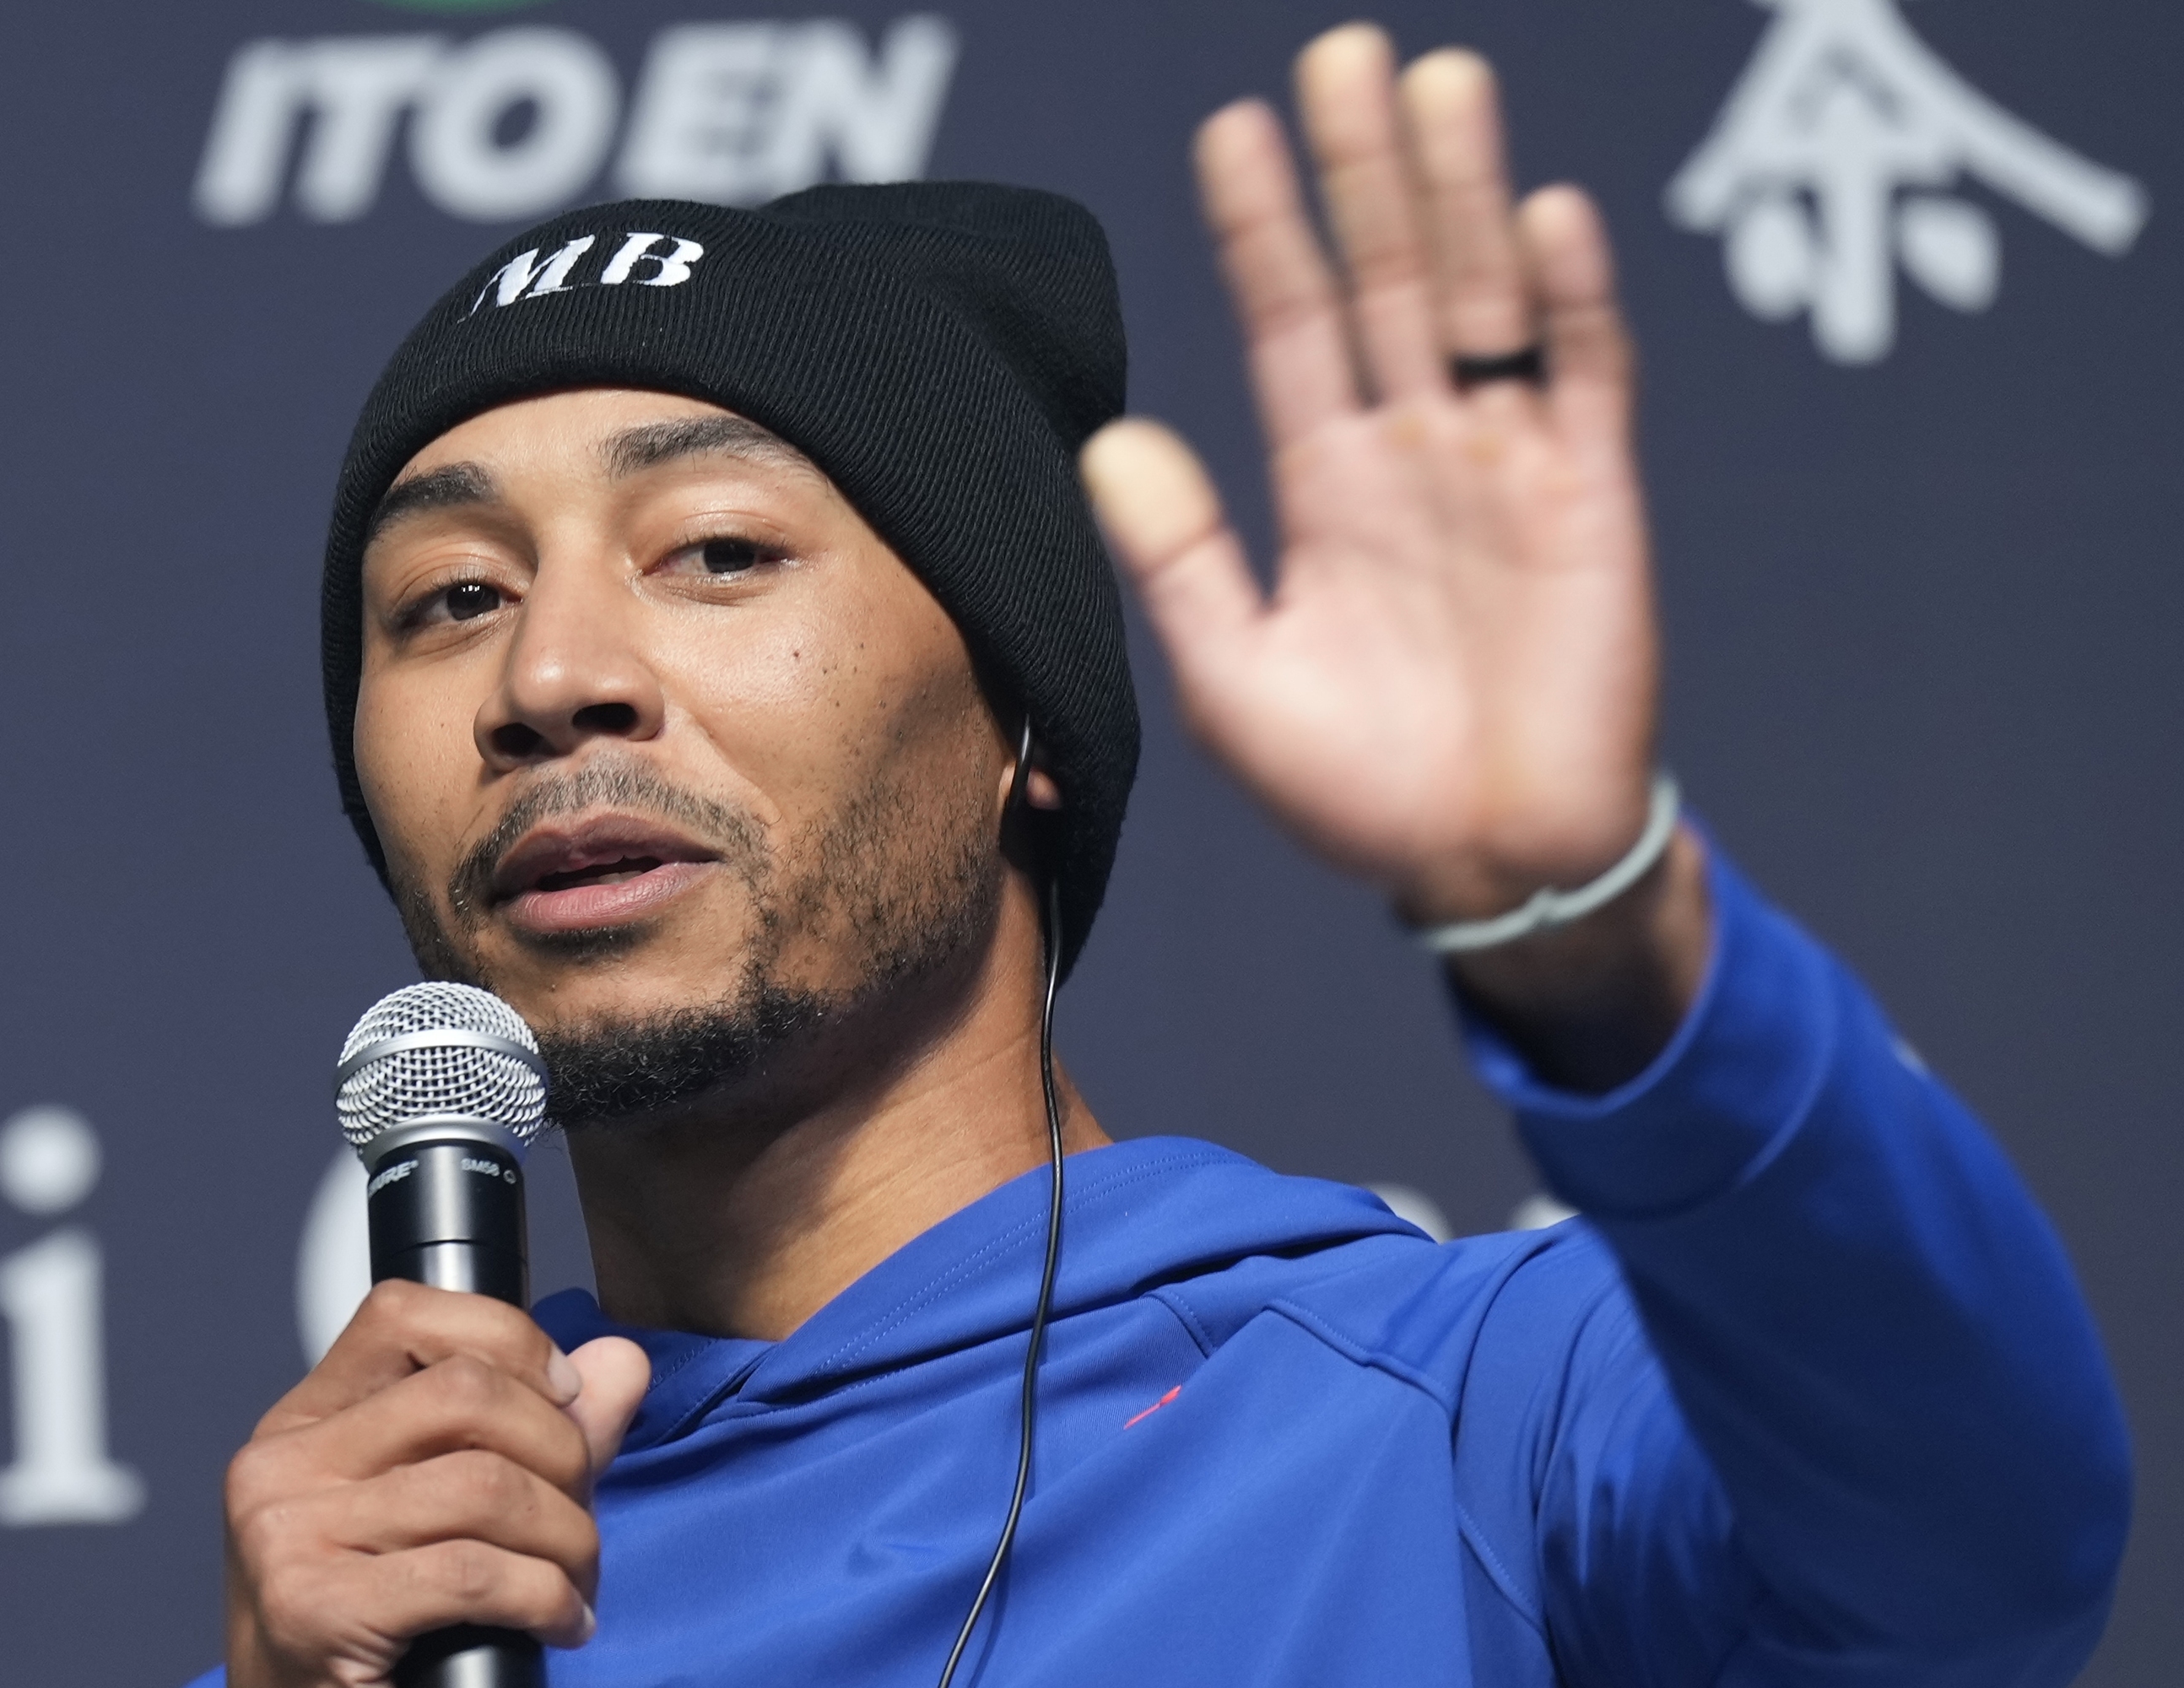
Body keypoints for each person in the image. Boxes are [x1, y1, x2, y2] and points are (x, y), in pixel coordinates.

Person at [205, 23, 2127, 1688]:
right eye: (449, 596)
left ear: (1027, 723)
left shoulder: (1461, 1414)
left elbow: (1979, 1547)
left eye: (716, 550)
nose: (550, 673)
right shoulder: (393, 1593)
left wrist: (1602, 924)